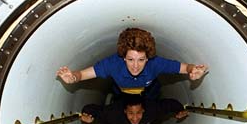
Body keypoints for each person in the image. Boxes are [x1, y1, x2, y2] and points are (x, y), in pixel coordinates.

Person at [56, 27, 208, 99]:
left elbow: (185, 67)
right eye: (130, 59)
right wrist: (73, 78)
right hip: (121, 90)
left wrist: (193, 70)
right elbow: (82, 74)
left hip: (148, 90)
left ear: (147, 58)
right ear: (123, 57)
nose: (136, 66)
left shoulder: (156, 63)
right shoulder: (112, 64)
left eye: (141, 60)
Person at [80, 94, 188, 124]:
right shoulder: (113, 114)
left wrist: (180, 110)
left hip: (147, 99)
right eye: (130, 113)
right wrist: (86, 115)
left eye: (139, 113)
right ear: (125, 111)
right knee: (118, 92)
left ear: (144, 111)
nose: (135, 118)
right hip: (119, 101)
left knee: (152, 92)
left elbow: (169, 103)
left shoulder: (153, 110)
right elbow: (92, 109)